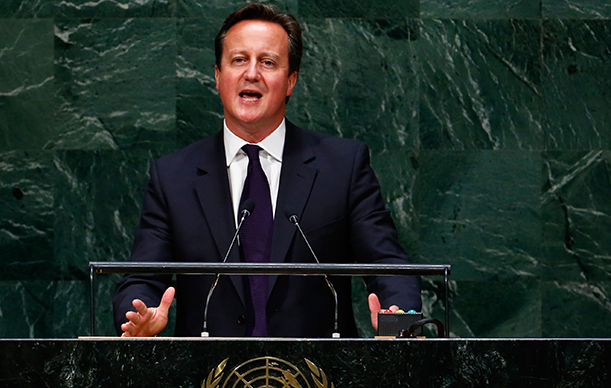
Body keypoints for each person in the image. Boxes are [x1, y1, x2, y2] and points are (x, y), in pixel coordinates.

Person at [112, 3, 421, 338]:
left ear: (290, 81)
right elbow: (142, 278)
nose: (252, 73)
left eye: (268, 62)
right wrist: (137, 316)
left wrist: (399, 324)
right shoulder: (173, 177)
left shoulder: (342, 167)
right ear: (218, 76)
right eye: (239, 60)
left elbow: (389, 268)